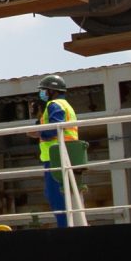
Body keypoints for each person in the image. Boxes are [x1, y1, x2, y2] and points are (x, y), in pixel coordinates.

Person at [36, 76, 85, 226]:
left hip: (56, 156)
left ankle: (64, 227)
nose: (42, 93)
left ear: (51, 91)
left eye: (44, 90)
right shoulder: (66, 105)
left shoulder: (54, 104)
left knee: (56, 195)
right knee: (67, 194)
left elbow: (55, 127)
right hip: (66, 154)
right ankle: (70, 224)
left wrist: (40, 133)